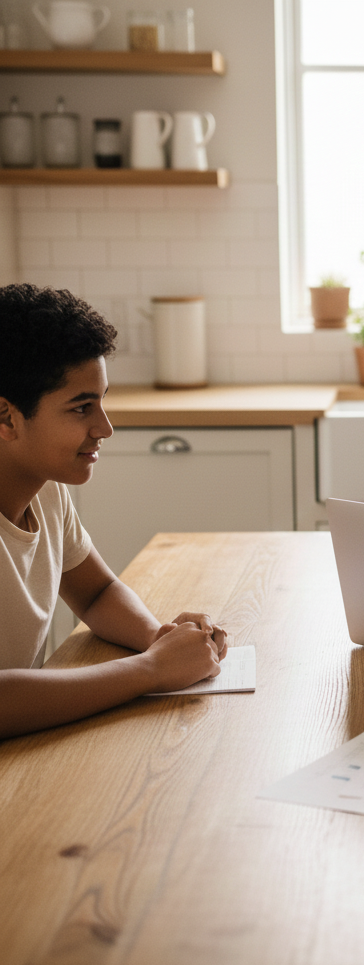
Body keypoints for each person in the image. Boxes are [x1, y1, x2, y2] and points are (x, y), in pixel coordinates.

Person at [0, 284, 227, 740]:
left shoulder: (46, 491)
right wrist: (151, 670)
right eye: (82, 407)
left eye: (102, 401)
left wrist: (159, 637)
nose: (105, 427)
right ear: (7, 418)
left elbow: (97, 591)